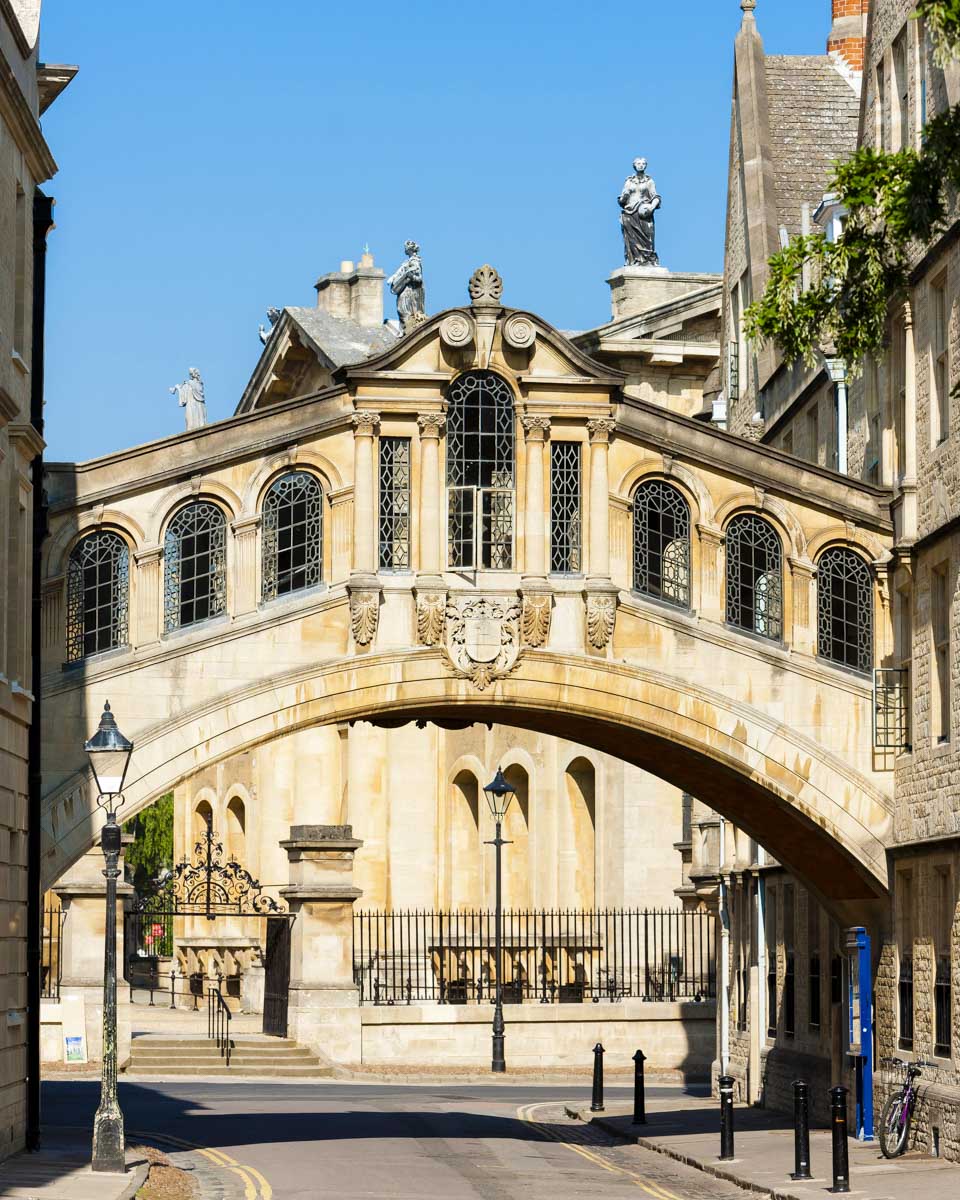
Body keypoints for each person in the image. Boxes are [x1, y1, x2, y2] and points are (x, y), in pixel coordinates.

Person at [619, 157, 661, 266]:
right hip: (629, 213)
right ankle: (634, 260)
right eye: (638, 163)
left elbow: (656, 197)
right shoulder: (629, 181)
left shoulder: (649, 181)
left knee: (647, 238)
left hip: (644, 213)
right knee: (632, 240)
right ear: (634, 165)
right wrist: (625, 195)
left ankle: (647, 260)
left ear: (646, 166)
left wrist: (652, 207)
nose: (641, 165)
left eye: (643, 163)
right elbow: (622, 201)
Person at [387, 240, 426, 333]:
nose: (405, 249)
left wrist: (410, 276)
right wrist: (393, 278)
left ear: (410, 249)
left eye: (406, 247)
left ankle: (408, 330)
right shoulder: (407, 262)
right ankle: (405, 330)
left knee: (404, 310)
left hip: (411, 291)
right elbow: (399, 272)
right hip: (405, 289)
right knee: (401, 309)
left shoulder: (415, 261)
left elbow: (419, 278)